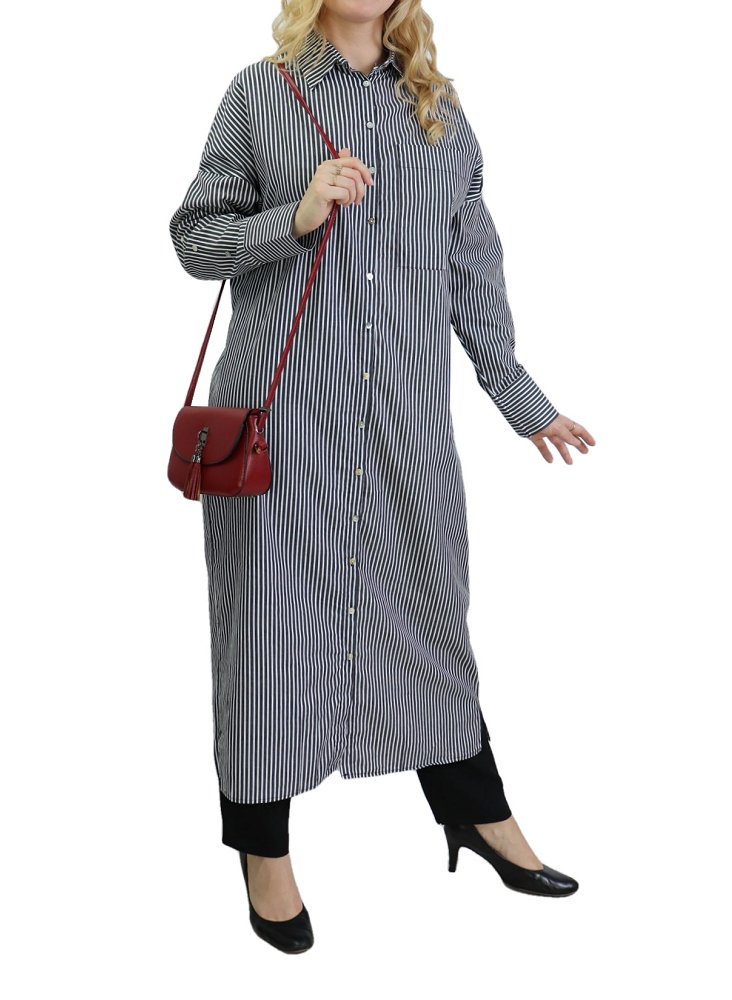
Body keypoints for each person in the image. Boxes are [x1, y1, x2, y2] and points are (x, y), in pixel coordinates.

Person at [169, 0, 594, 954]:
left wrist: (522, 399)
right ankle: (264, 855)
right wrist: (296, 214)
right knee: (267, 635)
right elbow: (195, 239)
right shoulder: (259, 94)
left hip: (405, 425)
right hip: (280, 429)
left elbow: (472, 268)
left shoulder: (439, 109)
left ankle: (477, 813)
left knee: (430, 612)